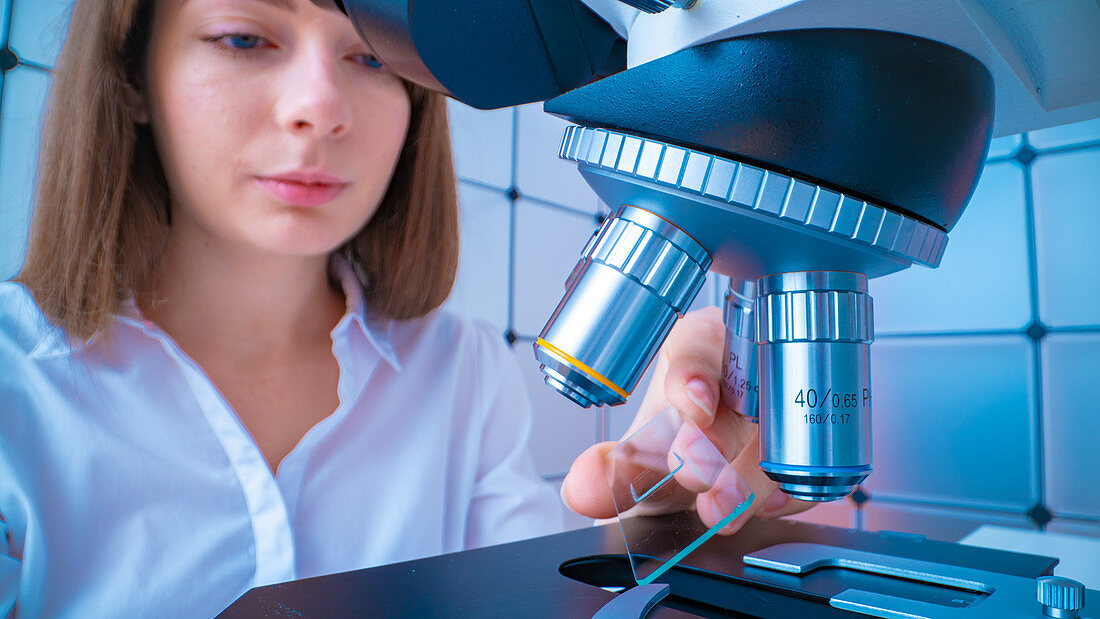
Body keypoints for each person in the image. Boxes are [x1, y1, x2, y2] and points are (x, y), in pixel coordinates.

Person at [0, 0, 811, 615]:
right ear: (135, 76)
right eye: (245, 38)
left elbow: (536, 599)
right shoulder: (14, 389)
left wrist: (663, 523)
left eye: (371, 58)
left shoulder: (459, 372)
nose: (320, 107)